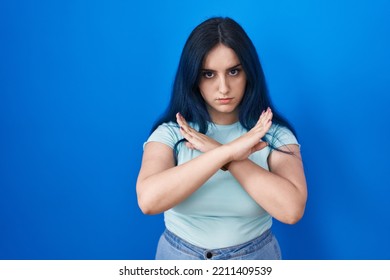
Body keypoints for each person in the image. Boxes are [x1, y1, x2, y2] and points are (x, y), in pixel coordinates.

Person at [136, 17, 307, 260]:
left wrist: (220, 153)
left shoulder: (271, 132)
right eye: (208, 74)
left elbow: (291, 210)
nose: (223, 88)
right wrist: (226, 152)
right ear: (193, 77)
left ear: (249, 73)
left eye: (234, 71)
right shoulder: (174, 133)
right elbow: (148, 201)